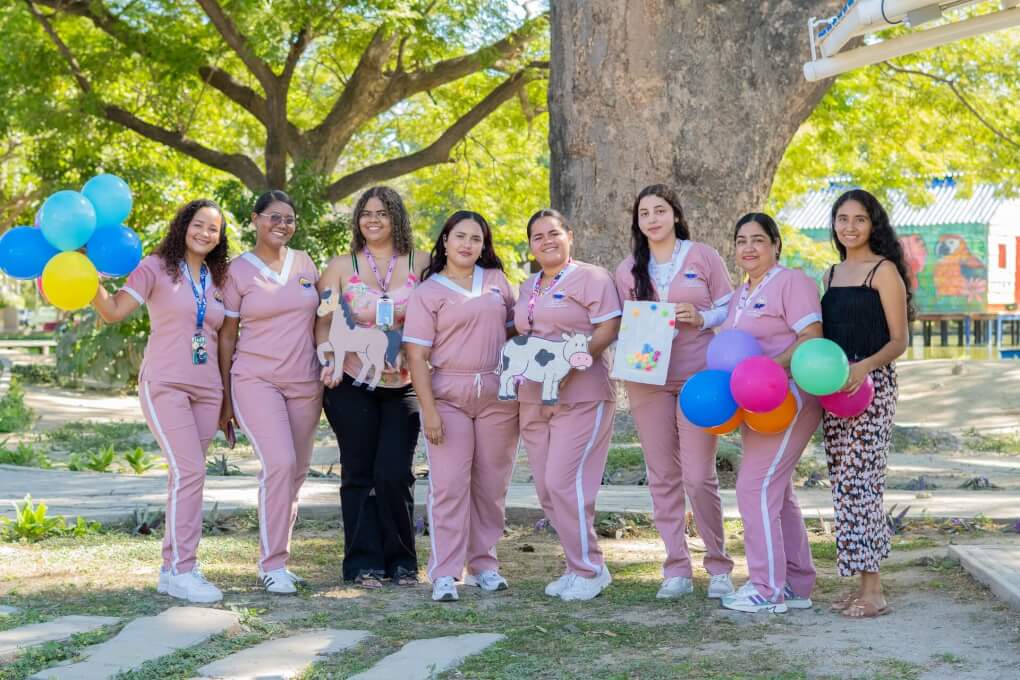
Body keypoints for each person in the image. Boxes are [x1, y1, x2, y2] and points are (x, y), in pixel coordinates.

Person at [92, 198, 229, 603]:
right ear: (183, 225)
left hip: (208, 389)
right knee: (191, 472)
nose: (205, 233)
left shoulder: (217, 276)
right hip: (165, 384)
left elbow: (223, 338)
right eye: (199, 224)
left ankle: (171, 569)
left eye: (214, 229)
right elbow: (114, 312)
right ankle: (186, 569)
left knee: (184, 477)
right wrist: (88, 281)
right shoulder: (154, 267)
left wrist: (226, 402)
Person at [613, 184, 735, 600]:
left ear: (676, 216)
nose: (652, 219)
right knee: (663, 476)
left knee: (699, 477)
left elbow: (729, 304)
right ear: (638, 222)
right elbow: (621, 322)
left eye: (660, 210)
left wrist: (701, 317)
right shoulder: (628, 269)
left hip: (698, 377)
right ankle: (676, 568)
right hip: (647, 382)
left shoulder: (702, 256)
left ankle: (718, 566)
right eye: (644, 213)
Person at [403, 211, 519, 602]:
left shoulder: (498, 283)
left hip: (497, 391)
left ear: (484, 245)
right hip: (448, 394)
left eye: (476, 239)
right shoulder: (428, 292)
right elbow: (416, 356)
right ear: (446, 241)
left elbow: (519, 329)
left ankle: (484, 565)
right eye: (460, 237)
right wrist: (429, 410)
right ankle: (445, 572)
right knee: (449, 485)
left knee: (491, 486)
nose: (467, 245)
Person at [316, 186, 429, 588]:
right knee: (359, 472)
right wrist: (326, 359)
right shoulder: (339, 266)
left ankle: (402, 560)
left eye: (382, 213)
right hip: (350, 383)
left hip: (405, 384)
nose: (373, 220)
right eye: (365, 213)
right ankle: (362, 563)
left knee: (395, 471)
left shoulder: (424, 263)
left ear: (397, 217)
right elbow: (324, 321)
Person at [218, 190, 323, 595]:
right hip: (255, 379)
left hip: (305, 382)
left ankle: (281, 557)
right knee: (278, 464)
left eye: (289, 219)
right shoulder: (237, 270)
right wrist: (226, 396)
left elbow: (322, 321)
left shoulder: (306, 263)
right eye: (274, 218)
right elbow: (228, 336)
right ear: (256, 219)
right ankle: (271, 564)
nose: (282, 225)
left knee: (295, 474)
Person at [515, 208, 622, 602]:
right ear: (530, 246)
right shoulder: (528, 287)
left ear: (570, 236)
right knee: (546, 490)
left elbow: (608, 326)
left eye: (554, 233)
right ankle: (580, 562)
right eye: (538, 236)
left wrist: (567, 365)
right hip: (533, 398)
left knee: (566, 483)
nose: (547, 241)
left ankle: (588, 570)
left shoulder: (592, 277)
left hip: (581, 393)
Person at [719, 213, 822, 614]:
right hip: (754, 404)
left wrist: (774, 367)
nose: (748, 247)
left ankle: (766, 588)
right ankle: (797, 584)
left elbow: (811, 336)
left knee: (754, 487)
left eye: (758, 240)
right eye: (741, 240)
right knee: (778, 493)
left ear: (776, 244)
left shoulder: (791, 282)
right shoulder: (739, 294)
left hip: (788, 398)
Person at [822, 189, 910, 619]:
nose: (849, 226)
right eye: (842, 218)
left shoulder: (884, 271)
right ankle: (860, 582)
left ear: (873, 224)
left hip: (873, 388)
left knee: (863, 483)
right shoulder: (832, 274)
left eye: (859, 218)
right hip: (834, 393)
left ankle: (874, 591)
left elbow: (899, 341)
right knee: (842, 483)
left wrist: (865, 367)